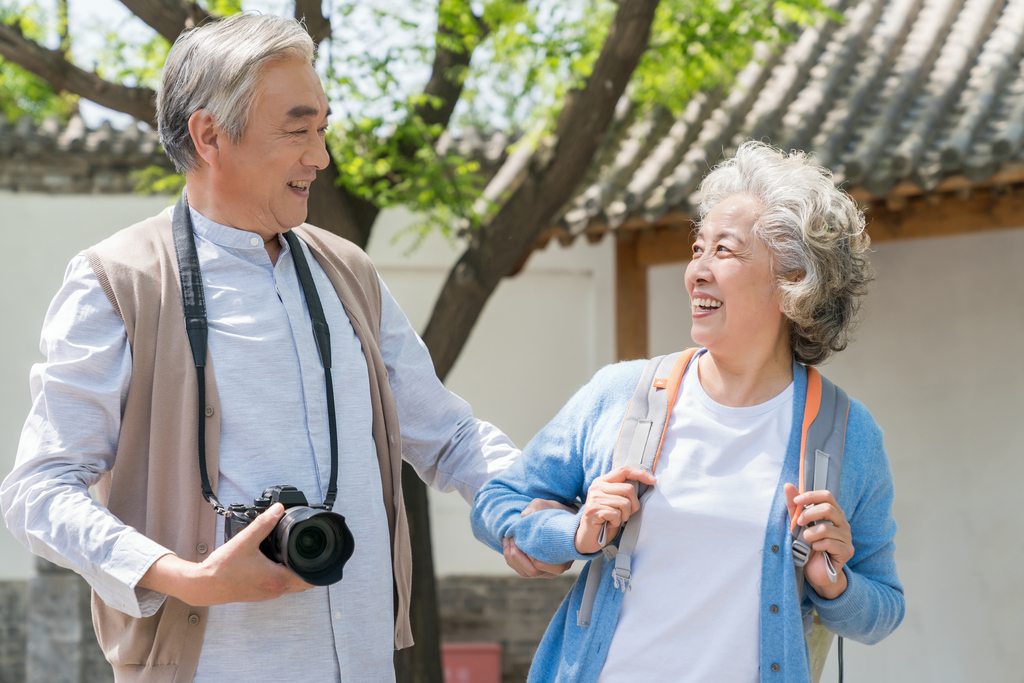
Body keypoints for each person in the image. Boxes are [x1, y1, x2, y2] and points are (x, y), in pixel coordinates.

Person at [0, 13, 558, 682]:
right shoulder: (118, 282)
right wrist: (184, 575)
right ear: (209, 135)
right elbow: (38, 490)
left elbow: (450, 435)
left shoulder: (347, 271)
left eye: (321, 130)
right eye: (297, 130)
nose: (319, 157)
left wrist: (524, 505)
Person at [471, 141, 905, 682]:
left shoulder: (848, 435)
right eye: (697, 249)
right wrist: (574, 532)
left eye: (724, 251)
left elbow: (883, 608)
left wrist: (834, 583)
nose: (696, 270)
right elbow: (498, 501)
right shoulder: (621, 393)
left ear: (794, 280)